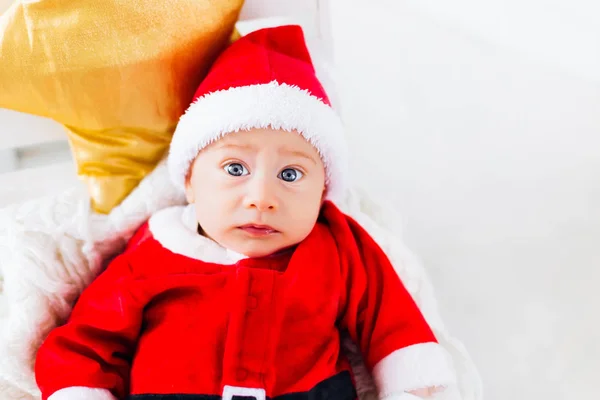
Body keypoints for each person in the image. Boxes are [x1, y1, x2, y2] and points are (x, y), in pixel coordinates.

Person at [35, 25, 457, 400]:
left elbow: (394, 323)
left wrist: (410, 387)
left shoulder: (337, 246)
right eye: (235, 169)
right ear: (189, 182)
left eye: (290, 174)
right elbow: (84, 345)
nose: (262, 197)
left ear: (324, 189)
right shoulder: (154, 253)